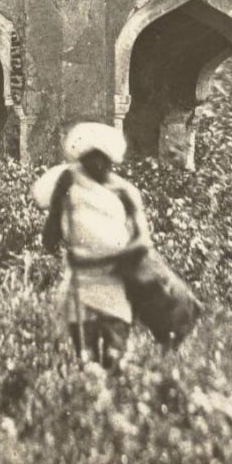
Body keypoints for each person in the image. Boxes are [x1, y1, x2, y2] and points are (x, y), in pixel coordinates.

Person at [35, 122, 150, 369]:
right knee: (85, 357)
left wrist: (114, 258)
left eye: (102, 160)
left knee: (113, 357)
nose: (96, 166)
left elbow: (142, 240)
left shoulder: (124, 192)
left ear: (111, 161)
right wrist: (56, 243)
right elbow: (52, 224)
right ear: (81, 160)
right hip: (82, 280)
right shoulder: (69, 180)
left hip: (114, 281)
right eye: (89, 160)